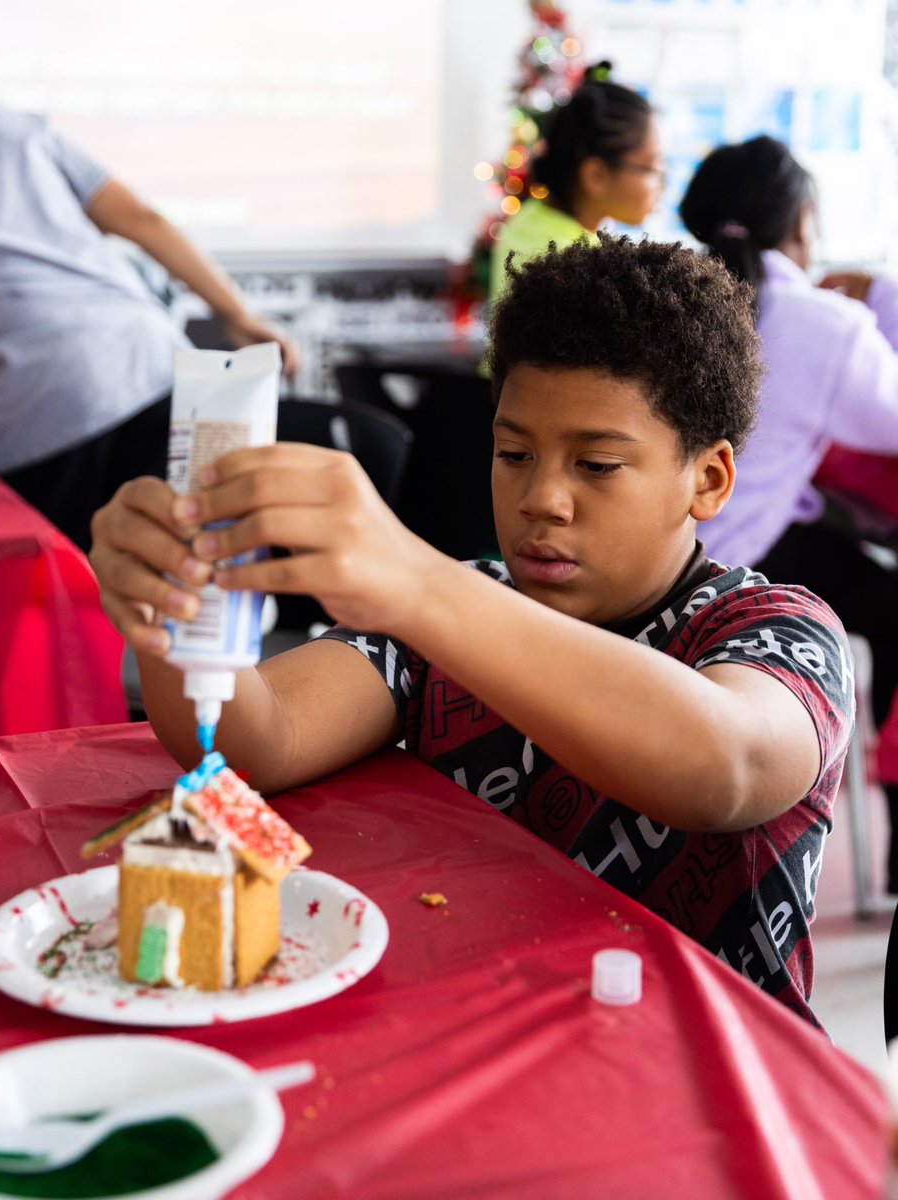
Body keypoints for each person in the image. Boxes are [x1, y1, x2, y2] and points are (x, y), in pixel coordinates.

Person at [90, 235, 853, 1025]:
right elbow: (251, 742)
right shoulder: (455, 613)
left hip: (716, 1089)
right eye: (514, 452)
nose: (542, 498)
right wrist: (174, 613)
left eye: (596, 465)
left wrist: (419, 580)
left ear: (709, 478)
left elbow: (722, 767)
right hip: (479, 1039)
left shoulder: (777, 633)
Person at [680, 133, 898, 890]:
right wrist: (883, 295)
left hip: (664, 548)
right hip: (739, 564)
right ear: (800, 221)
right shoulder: (823, 324)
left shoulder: (672, 294)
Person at [0, 96, 300, 552]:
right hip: (145, 367)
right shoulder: (8, 127)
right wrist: (238, 315)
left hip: (25, 415)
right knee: (187, 571)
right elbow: (142, 219)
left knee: (81, 598)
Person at [489, 62, 665, 303]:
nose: (662, 183)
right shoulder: (579, 270)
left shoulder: (530, 218)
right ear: (596, 176)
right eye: (653, 168)